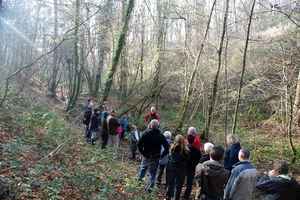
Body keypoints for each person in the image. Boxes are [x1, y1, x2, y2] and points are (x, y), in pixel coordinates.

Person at [137, 119, 169, 193]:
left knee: (142, 171)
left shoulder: (146, 133)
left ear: (151, 125)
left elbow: (139, 144)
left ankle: (138, 187)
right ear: (158, 126)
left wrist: (142, 152)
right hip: (155, 157)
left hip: (146, 156)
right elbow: (167, 147)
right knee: (152, 174)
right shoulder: (161, 135)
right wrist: (162, 155)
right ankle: (149, 191)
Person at [165, 135, 190, 200]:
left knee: (170, 184)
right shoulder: (186, 151)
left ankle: (167, 197)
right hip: (181, 170)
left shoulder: (172, 149)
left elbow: (170, 158)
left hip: (172, 169)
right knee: (178, 186)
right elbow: (188, 160)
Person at [184, 134, 201, 200]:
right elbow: (199, 158)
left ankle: (176, 193)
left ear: (187, 140)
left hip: (184, 166)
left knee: (180, 180)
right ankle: (186, 196)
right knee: (190, 182)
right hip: (192, 167)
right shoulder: (196, 150)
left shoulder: (184, 148)